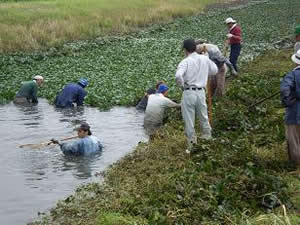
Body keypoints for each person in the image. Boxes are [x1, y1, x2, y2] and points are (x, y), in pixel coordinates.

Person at [175, 39, 218, 153]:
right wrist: (204, 68)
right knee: (203, 116)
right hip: (201, 92)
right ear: (195, 48)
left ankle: (192, 145)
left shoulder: (185, 61)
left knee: (189, 120)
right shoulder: (204, 58)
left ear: (185, 50)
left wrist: (182, 85)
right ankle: (208, 140)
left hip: (189, 92)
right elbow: (214, 70)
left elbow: (178, 76)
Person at [280, 49, 300, 167]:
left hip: (295, 112)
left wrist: (287, 101)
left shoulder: (292, 75)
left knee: (294, 139)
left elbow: (284, 89)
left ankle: (296, 164)